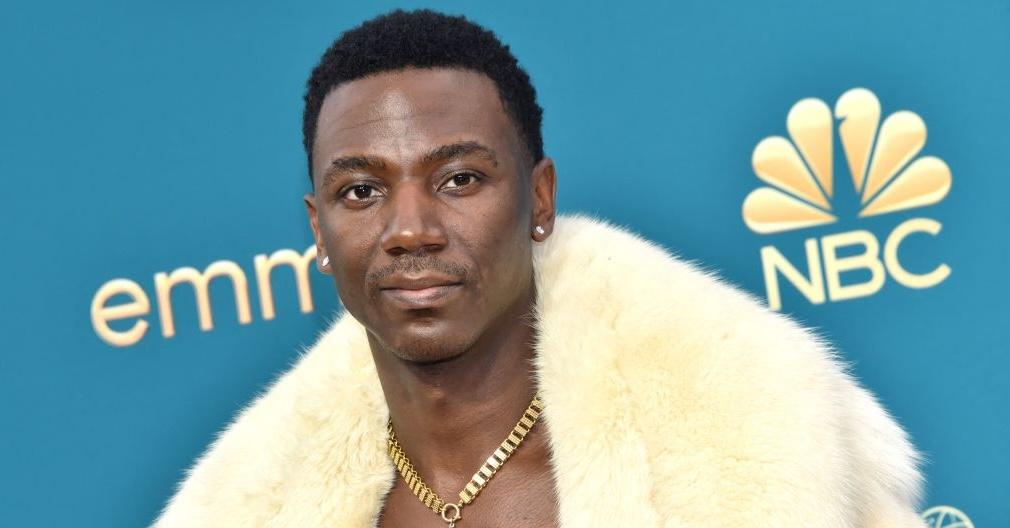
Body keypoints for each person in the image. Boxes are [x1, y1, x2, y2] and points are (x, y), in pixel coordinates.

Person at [154, 8, 926, 528]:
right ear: (318, 230)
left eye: (459, 180)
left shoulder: (757, 439)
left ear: (539, 199)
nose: (410, 229)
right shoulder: (244, 505)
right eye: (361, 191)